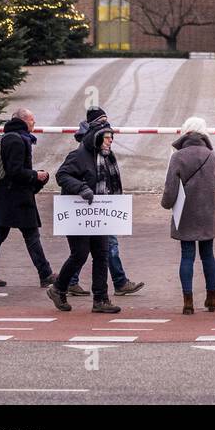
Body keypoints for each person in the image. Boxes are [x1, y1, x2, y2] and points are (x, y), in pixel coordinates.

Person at [65, 107, 144, 297]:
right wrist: (83, 189)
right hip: (92, 206)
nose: (109, 137)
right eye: (102, 122)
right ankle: (116, 283)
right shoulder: (83, 152)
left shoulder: (104, 151)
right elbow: (64, 175)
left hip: (104, 205)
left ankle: (80, 284)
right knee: (94, 250)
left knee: (97, 250)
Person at [47, 121, 122, 313]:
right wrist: (81, 188)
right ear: (97, 138)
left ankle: (101, 299)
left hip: (99, 213)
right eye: (107, 137)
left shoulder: (107, 158)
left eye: (111, 137)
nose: (110, 141)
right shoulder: (79, 156)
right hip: (78, 213)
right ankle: (58, 288)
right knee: (80, 253)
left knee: (101, 254)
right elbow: (62, 175)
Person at [0, 108, 55, 288]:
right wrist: (36, 175)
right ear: (24, 121)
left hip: (5, 195)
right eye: (32, 120)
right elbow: (15, 171)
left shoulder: (8, 137)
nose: (34, 124)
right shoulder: (17, 140)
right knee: (31, 236)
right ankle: (46, 274)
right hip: (18, 197)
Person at [161, 117, 215, 315]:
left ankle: (188, 302)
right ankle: (211, 299)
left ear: (185, 132)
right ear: (203, 133)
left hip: (185, 213)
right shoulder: (212, 155)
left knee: (187, 256)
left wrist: (165, 204)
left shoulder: (178, 157)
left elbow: (170, 190)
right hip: (208, 212)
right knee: (208, 256)